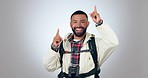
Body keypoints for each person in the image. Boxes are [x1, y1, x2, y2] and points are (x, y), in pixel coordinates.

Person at [43, 6, 119, 78]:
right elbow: (49, 67)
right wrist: (54, 47)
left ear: (88, 24)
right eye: (75, 22)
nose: (78, 25)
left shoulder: (94, 44)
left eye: (82, 22)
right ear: (70, 24)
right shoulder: (63, 45)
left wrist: (99, 23)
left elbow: (113, 42)